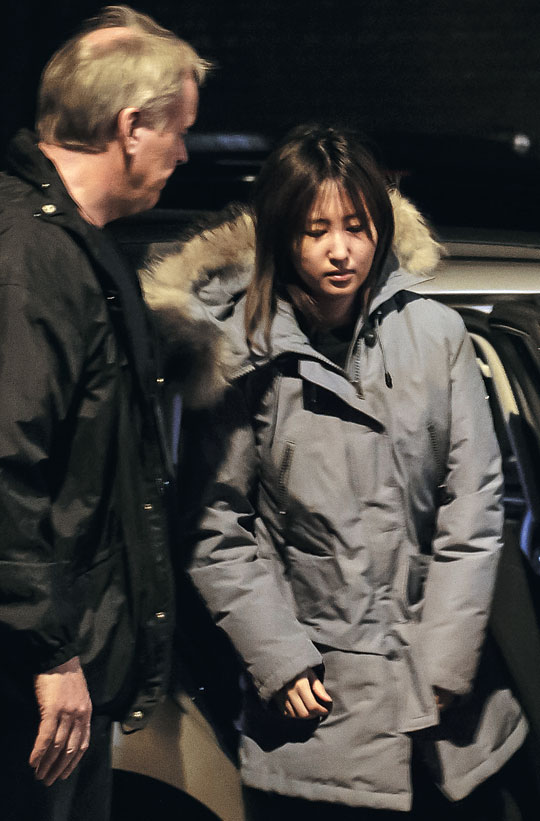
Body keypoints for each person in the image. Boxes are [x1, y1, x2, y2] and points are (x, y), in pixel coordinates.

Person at [143, 124, 531, 819]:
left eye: (356, 226)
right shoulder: (241, 355)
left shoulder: (436, 335)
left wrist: (447, 659)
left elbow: (472, 503)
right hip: (321, 710)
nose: (340, 249)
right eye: (315, 229)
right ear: (283, 233)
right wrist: (279, 656)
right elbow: (215, 529)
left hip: (451, 712)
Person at [0, 6, 207, 820]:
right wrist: (50, 653)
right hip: (33, 687)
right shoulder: (30, 258)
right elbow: (7, 468)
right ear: (130, 128)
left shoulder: (76, 247)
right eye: (178, 131)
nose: (184, 153)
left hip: (59, 669)